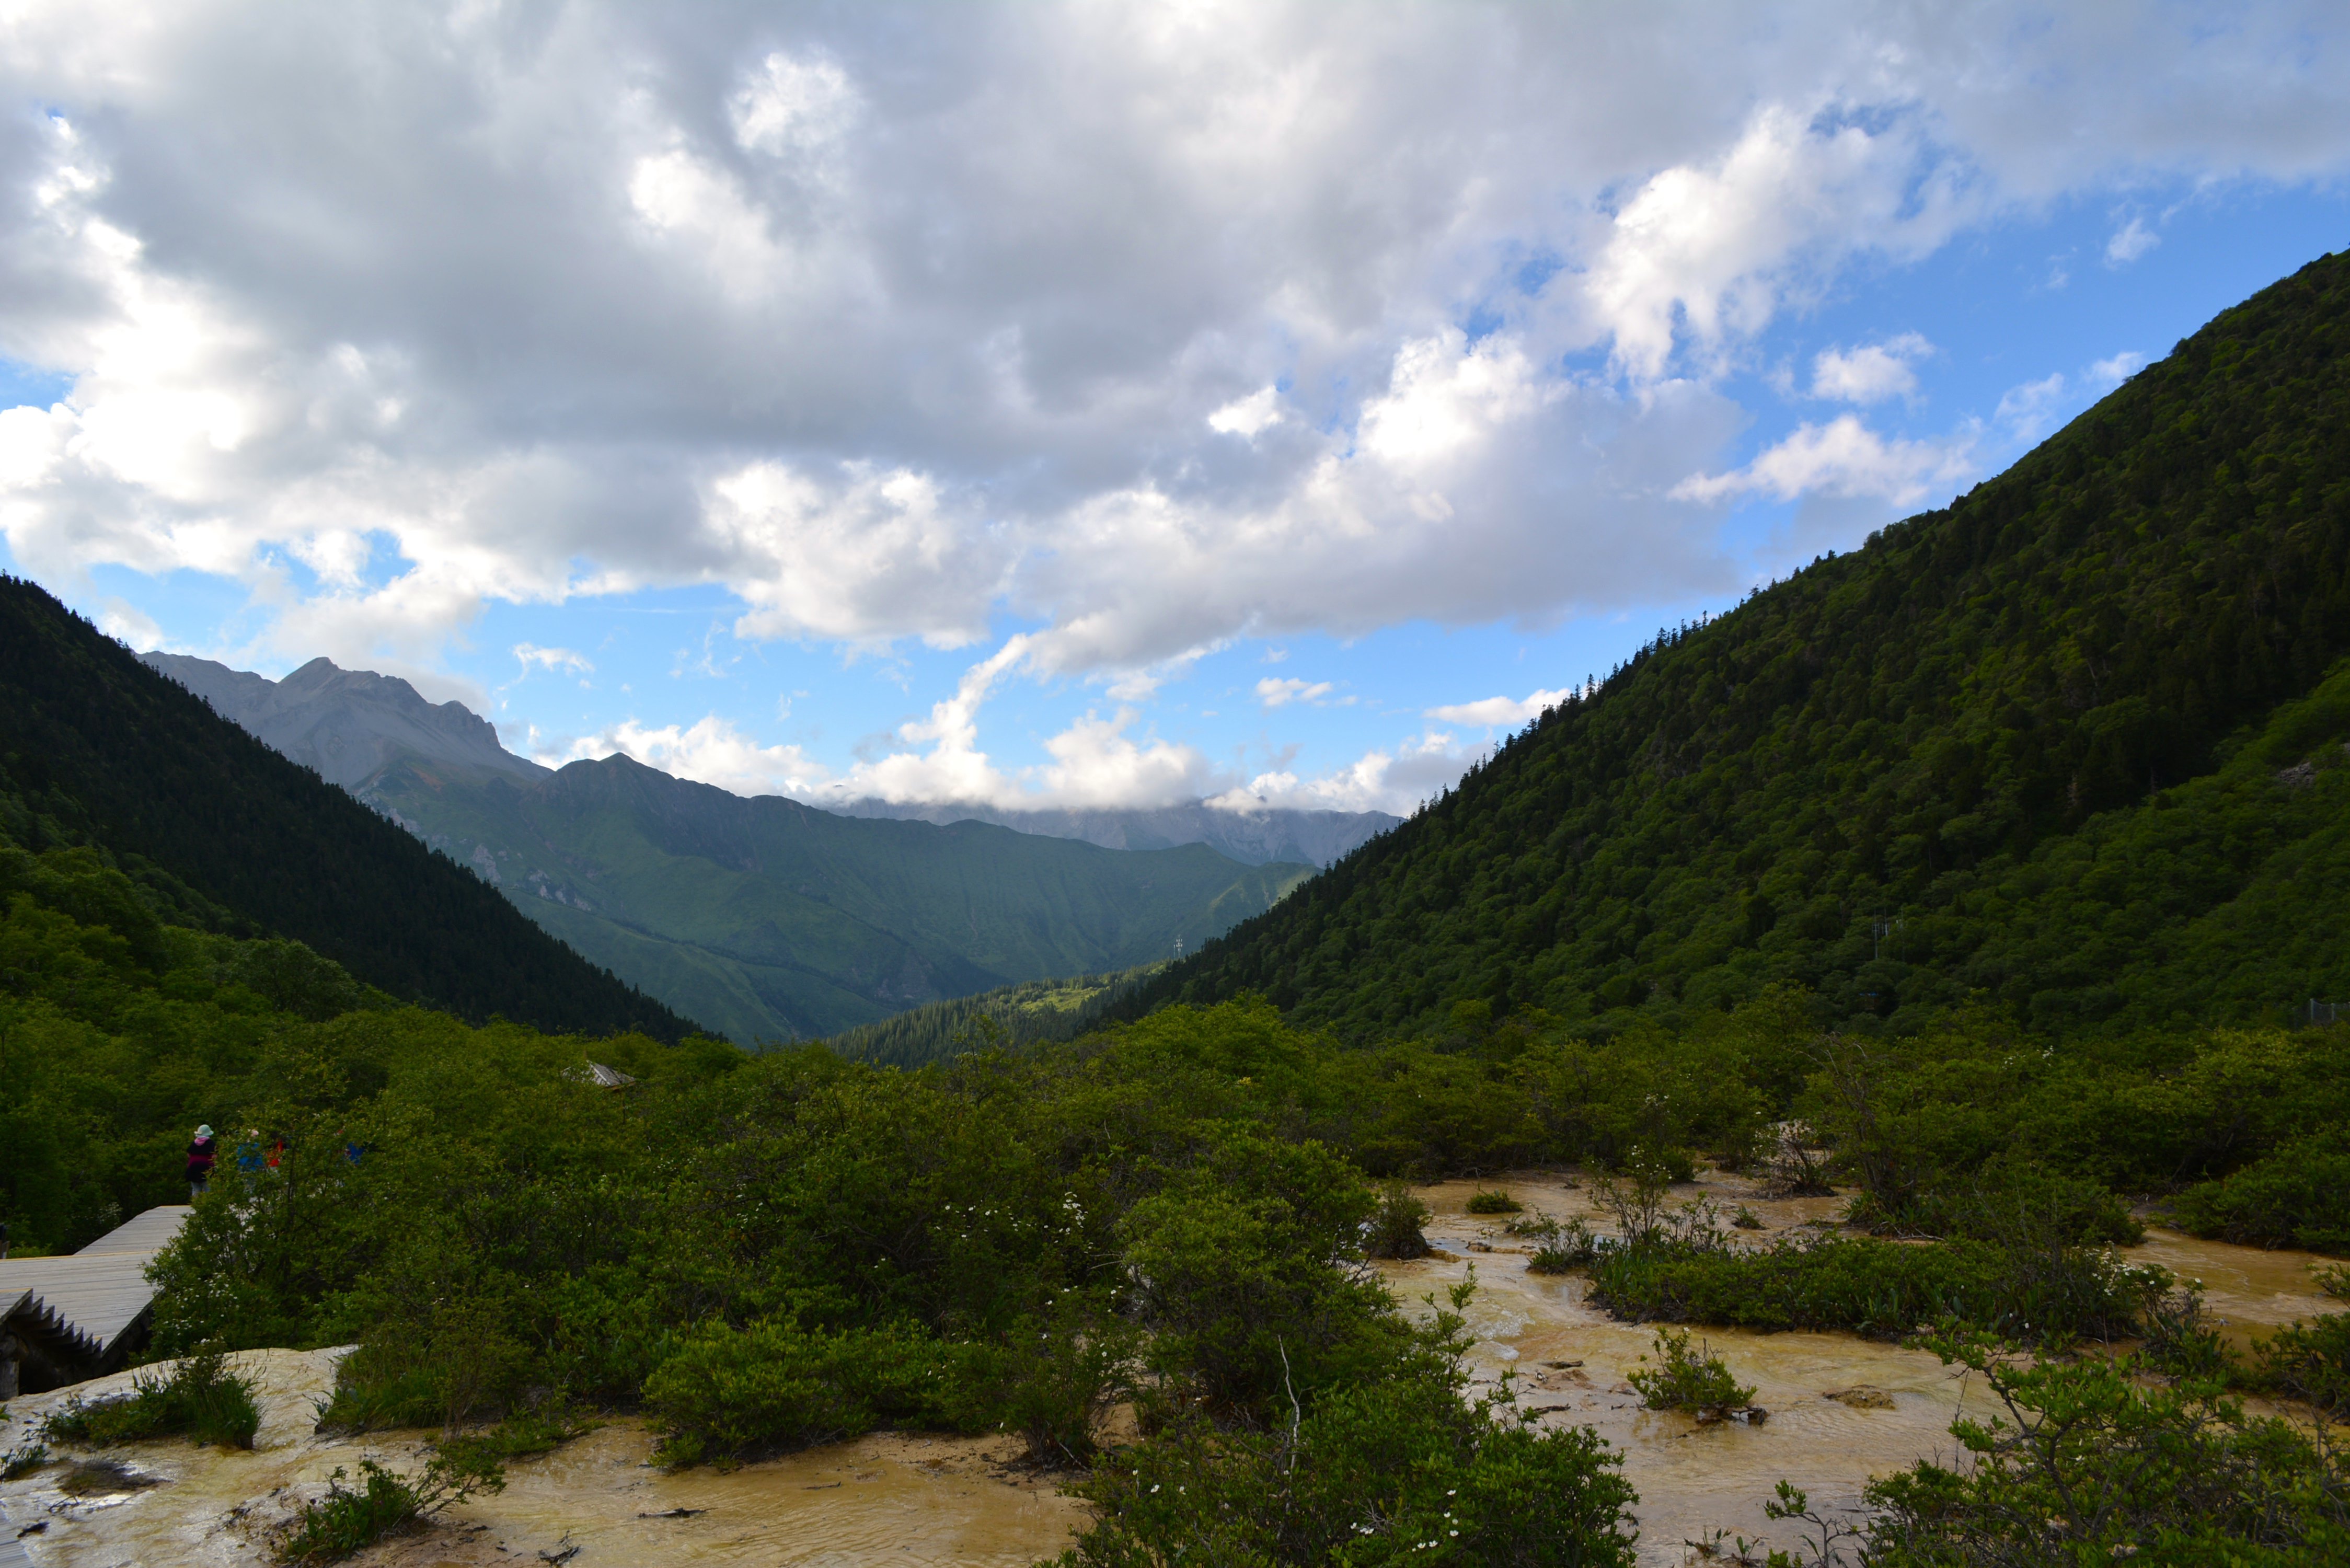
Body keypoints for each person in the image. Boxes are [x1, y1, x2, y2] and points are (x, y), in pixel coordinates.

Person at [187, 1124, 217, 1199]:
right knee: (208, 1188)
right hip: (206, 1167)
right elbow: (214, 1157)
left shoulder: (193, 1144)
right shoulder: (211, 1143)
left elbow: (189, 1155)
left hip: (193, 1168)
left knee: (196, 1189)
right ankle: (208, 1204)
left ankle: (196, 1205)